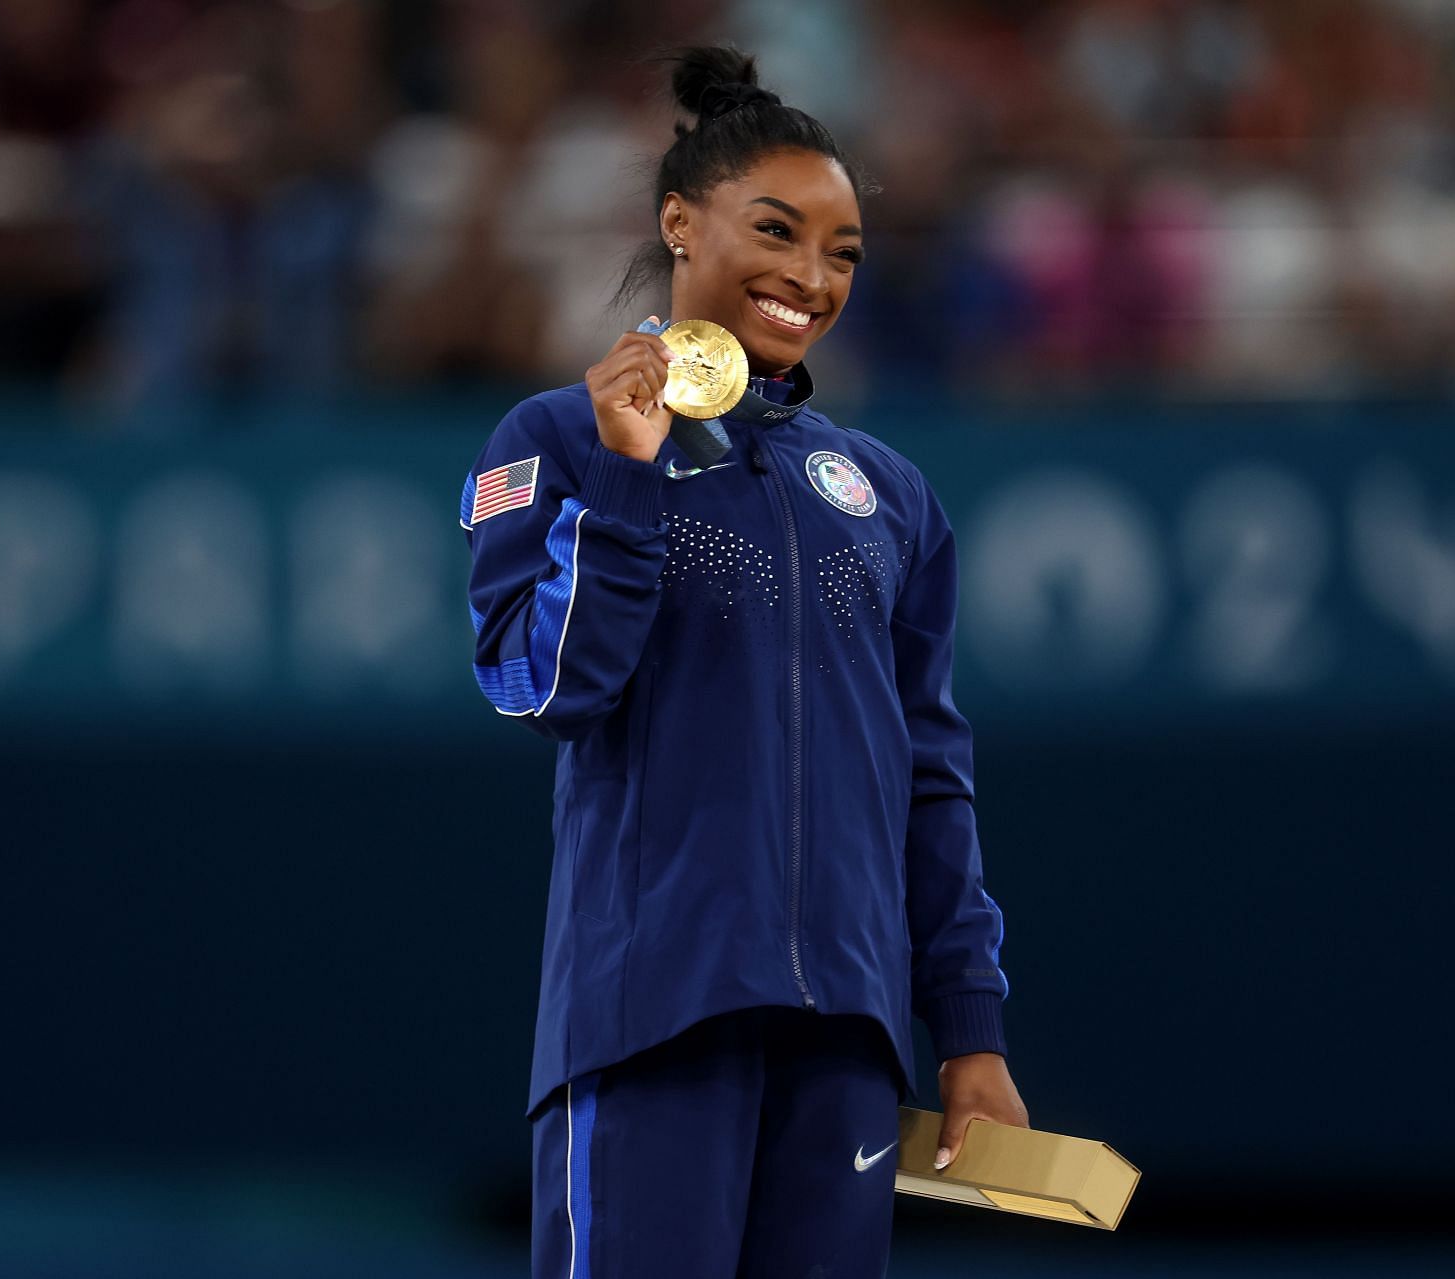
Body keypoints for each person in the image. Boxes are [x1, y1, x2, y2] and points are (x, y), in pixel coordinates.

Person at [459, 44, 1029, 1279]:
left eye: (842, 255)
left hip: (849, 1043)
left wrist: (968, 1032)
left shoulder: (888, 493)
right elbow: (541, 685)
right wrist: (625, 476)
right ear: (679, 220)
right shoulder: (556, 436)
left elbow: (931, 772)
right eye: (777, 232)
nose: (810, 278)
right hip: (651, 1016)